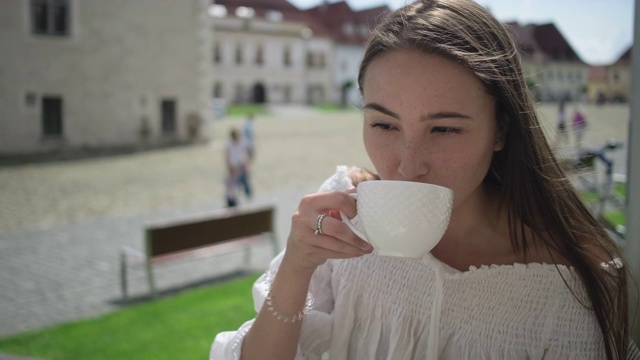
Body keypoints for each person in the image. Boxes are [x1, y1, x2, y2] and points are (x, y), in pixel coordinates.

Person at [212, 0, 628, 358]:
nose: (408, 166)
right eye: (384, 125)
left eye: (444, 129)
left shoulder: (566, 278)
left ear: (501, 129)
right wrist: (296, 269)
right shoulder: (342, 213)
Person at [224, 127, 252, 207]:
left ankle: (243, 198)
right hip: (234, 167)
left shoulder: (242, 143)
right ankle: (233, 201)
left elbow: (246, 154)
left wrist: (246, 165)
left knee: (241, 184)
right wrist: (229, 167)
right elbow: (227, 156)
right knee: (233, 185)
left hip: (240, 166)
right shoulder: (229, 144)